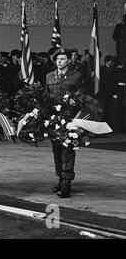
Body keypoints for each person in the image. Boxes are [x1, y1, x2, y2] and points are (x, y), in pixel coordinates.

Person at [45, 48, 83, 198]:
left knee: (67, 148)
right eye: (57, 59)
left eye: (62, 58)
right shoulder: (49, 76)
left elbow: (82, 96)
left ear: (68, 60)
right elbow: (47, 96)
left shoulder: (76, 76)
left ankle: (67, 180)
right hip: (54, 118)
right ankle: (61, 177)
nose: (59, 61)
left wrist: (75, 103)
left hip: (69, 118)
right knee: (56, 149)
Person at [100, 55, 116, 125]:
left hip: (111, 92)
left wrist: (115, 93)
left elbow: (114, 81)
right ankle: (104, 124)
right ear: (107, 61)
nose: (111, 62)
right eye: (110, 61)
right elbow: (101, 81)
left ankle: (108, 124)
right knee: (104, 109)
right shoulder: (102, 69)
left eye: (111, 61)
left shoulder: (112, 69)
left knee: (110, 110)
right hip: (104, 92)